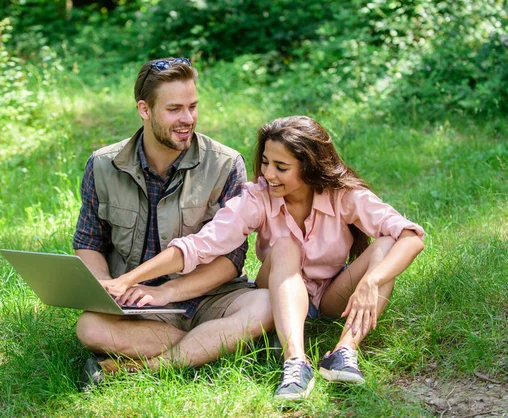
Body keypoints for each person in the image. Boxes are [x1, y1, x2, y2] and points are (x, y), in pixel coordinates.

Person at [106, 115, 425, 401]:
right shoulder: (257, 198)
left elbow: (411, 237)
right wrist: (129, 279)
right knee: (286, 245)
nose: (268, 174)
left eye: (281, 167)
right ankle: (296, 363)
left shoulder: (344, 195)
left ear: (310, 166)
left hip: (329, 294)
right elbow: (201, 245)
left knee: (385, 245)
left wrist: (372, 281)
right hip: (278, 288)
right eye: (266, 163)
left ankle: (343, 352)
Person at [73, 57, 274, 390]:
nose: (187, 119)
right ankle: (217, 344)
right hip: (141, 305)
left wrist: (168, 292)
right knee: (90, 328)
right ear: (145, 109)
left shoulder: (226, 163)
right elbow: (90, 242)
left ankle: (142, 367)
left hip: (213, 297)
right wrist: (105, 287)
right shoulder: (103, 165)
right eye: (175, 109)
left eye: (193, 107)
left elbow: (230, 261)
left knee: (266, 303)